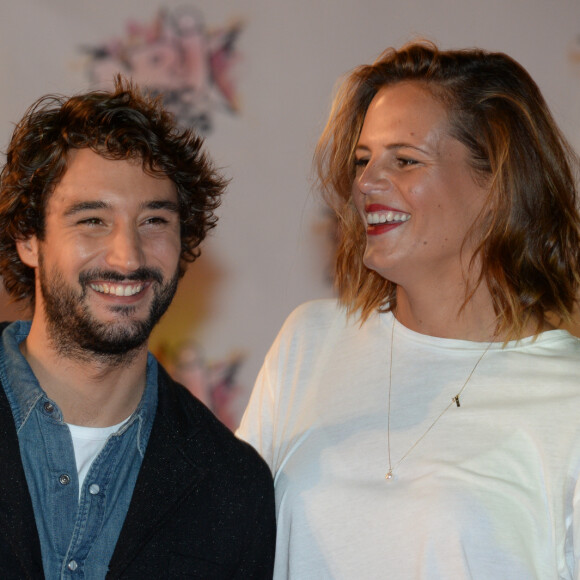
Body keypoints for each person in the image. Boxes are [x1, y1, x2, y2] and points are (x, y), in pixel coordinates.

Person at [237, 41, 580, 578]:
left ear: (498, 185)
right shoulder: (310, 342)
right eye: (362, 159)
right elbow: (230, 545)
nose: (366, 183)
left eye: (404, 160)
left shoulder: (568, 394)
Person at [0, 78, 275, 578]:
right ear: (28, 239)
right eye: (92, 220)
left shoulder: (233, 488)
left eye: (154, 221)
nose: (128, 257)